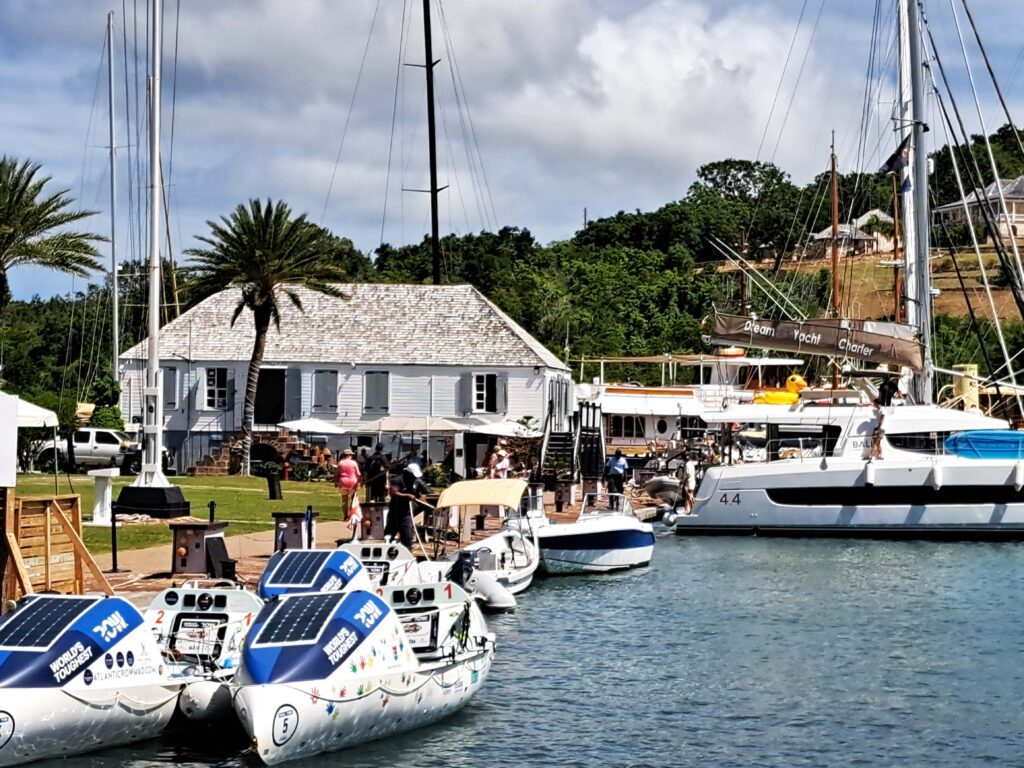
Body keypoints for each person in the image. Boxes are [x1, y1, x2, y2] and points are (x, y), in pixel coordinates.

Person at [386, 462, 429, 549]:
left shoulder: (415, 482)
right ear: (408, 473)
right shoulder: (397, 480)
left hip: (406, 514)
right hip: (395, 513)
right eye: (413, 475)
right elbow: (394, 493)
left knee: (407, 536)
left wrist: (424, 501)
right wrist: (407, 496)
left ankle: (408, 553)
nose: (414, 477)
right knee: (389, 535)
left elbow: (419, 495)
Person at [336, 448, 362, 520]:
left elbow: (337, 474)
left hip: (343, 482)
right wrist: (360, 480)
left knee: (344, 500)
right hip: (352, 482)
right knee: (353, 498)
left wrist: (335, 481)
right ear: (349, 455)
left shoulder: (340, 463)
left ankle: (345, 515)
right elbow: (358, 473)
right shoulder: (354, 463)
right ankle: (351, 514)